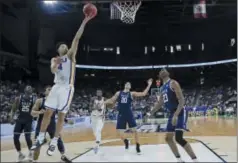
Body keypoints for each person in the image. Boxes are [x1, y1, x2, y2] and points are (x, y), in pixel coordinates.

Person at [31, 14, 94, 155]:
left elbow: (77, 38)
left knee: (60, 116)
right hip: (56, 87)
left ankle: (54, 141)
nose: (64, 46)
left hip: (67, 88)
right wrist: (56, 65)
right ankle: (40, 138)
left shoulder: (71, 56)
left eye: (65, 45)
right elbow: (53, 69)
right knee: (48, 113)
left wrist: (84, 21)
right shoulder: (55, 59)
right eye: (61, 46)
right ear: (58, 50)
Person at [148, 69, 198, 162]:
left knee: (179, 138)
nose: (163, 70)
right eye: (160, 70)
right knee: (168, 138)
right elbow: (160, 103)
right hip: (172, 113)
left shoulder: (173, 83)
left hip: (180, 111)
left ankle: (195, 160)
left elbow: (182, 100)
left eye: (164, 70)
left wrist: (176, 115)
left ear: (168, 73)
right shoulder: (162, 88)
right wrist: (151, 112)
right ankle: (179, 160)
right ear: (159, 75)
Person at [107, 79, 153, 154]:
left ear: (130, 87)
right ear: (125, 85)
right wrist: (103, 102)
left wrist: (149, 84)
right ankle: (126, 141)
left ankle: (137, 146)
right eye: (127, 83)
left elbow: (143, 93)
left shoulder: (132, 93)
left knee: (135, 130)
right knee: (120, 133)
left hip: (129, 114)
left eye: (129, 84)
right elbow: (112, 100)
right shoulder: (119, 93)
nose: (128, 84)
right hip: (121, 114)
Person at [31, 85, 71, 163]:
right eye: (49, 89)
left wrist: (66, 120)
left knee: (59, 140)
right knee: (37, 146)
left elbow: (60, 115)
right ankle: (34, 160)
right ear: (45, 91)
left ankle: (63, 156)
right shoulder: (40, 101)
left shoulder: (56, 102)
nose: (51, 91)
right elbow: (32, 112)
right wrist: (39, 112)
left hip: (52, 125)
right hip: (41, 125)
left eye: (52, 90)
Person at [10, 85, 35, 162]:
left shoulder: (33, 99)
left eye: (30, 90)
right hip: (19, 120)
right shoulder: (19, 98)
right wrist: (11, 118)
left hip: (28, 120)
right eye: (27, 90)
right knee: (15, 138)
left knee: (28, 138)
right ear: (25, 91)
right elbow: (13, 109)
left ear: (31, 92)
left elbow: (36, 109)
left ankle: (31, 153)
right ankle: (20, 154)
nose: (29, 91)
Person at [89, 89, 107, 154]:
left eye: (100, 92)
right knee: (95, 132)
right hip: (93, 117)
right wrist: (96, 108)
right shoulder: (93, 99)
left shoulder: (104, 99)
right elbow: (90, 108)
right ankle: (98, 142)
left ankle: (97, 145)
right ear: (96, 93)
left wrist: (104, 113)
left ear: (102, 93)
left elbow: (107, 107)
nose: (98, 93)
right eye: (97, 92)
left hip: (101, 117)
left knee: (98, 130)